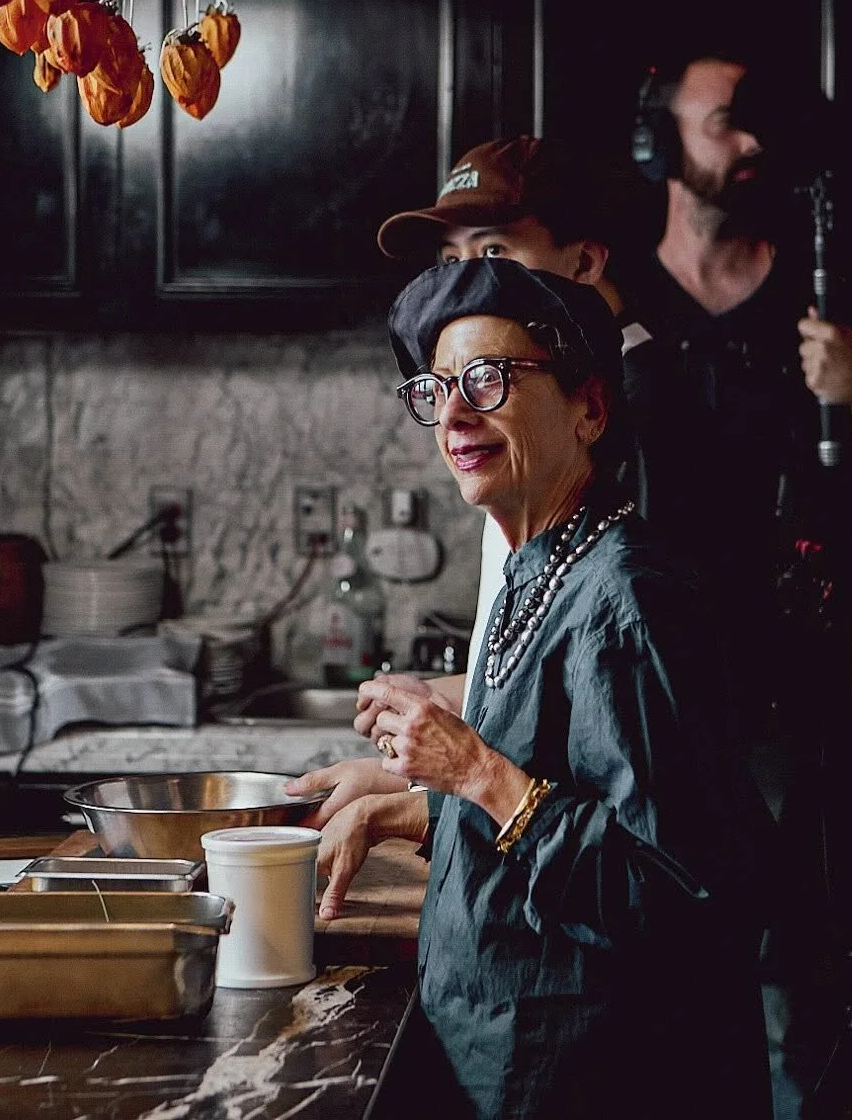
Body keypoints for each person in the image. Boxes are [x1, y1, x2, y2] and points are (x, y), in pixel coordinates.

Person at [309, 257, 775, 1118]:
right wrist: (402, 802)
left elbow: (678, 896)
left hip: (596, 1078)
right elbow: (557, 798)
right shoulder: (538, 569)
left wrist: (473, 769)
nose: (452, 413)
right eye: (437, 388)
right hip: (500, 1061)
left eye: (487, 380)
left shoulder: (629, 599)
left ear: (588, 407)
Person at [623, 45, 852, 1118]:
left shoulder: (823, 296)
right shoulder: (612, 298)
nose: (751, 145)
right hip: (650, 711)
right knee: (659, 1004)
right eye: (725, 123)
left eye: (759, 127)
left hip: (794, 710)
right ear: (660, 142)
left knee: (801, 1003)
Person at [287, 135, 647, 911]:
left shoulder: (634, 446)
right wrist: (422, 746)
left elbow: (640, 816)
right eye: (451, 259)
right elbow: (556, 690)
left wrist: (424, 794)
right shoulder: (513, 452)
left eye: (494, 250)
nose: (466, 281)